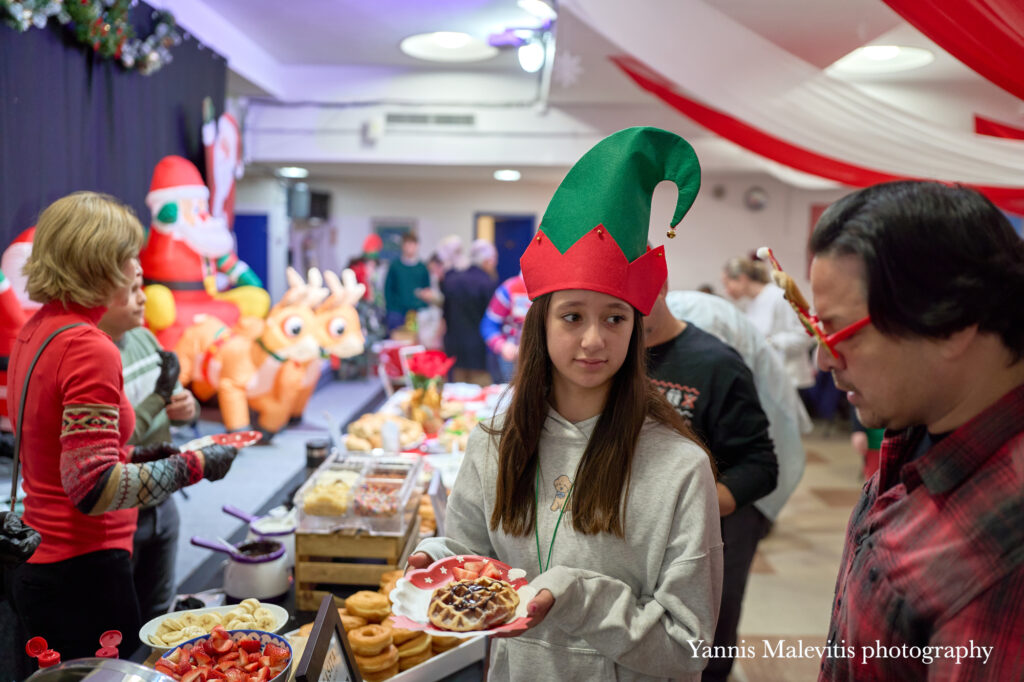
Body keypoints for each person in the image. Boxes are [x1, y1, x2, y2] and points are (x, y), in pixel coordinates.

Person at [409, 127, 723, 681]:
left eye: (615, 318)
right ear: (542, 324)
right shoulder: (494, 441)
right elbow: (469, 549)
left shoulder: (680, 468)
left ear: (636, 329)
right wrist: (439, 561)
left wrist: (577, 595)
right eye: (573, 315)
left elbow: (689, 646)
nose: (593, 340)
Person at [800, 181, 1024, 681]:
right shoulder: (921, 429)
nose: (823, 359)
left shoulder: (1002, 555)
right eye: (816, 329)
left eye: (839, 333)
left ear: (952, 323)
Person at [6, 192, 238, 668]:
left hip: (45, 559)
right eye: (124, 259)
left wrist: (148, 454)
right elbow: (91, 488)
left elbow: (66, 453)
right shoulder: (90, 346)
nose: (135, 267)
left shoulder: (39, 327)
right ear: (96, 267)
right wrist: (192, 464)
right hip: (83, 568)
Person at [644, 282, 778, 682]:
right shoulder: (608, 357)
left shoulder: (715, 363)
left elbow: (760, 465)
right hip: (637, 544)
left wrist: (689, 506)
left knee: (707, 648)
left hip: (710, 533)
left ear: (660, 283)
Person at [97, 263, 200, 623]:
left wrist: (187, 407)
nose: (144, 298)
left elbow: (176, 403)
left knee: (160, 613)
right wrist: (158, 398)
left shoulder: (143, 337)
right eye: (134, 288)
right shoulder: (92, 356)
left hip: (161, 493)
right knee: (120, 621)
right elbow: (111, 441)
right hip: (118, 507)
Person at [722, 255, 816, 392]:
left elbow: (805, 336)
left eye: (727, 284)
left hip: (791, 381)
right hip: (769, 380)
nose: (726, 290)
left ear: (742, 279)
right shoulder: (751, 303)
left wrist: (768, 341)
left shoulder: (779, 296)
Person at [441, 239, 498, 385]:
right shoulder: (487, 283)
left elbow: (445, 315)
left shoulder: (451, 280)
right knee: (479, 399)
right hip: (479, 353)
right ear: (487, 261)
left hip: (454, 349)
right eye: (494, 260)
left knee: (457, 397)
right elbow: (492, 320)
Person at [480, 272, 530, 383]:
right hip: (511, 359)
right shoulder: (508, 290)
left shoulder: (552, 292)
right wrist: (502, 346)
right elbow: (488, 326)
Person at [383, 231, 430, 332]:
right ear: (403, 246)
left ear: (417, 246)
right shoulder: (395, 266)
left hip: (417, 312)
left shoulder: (422, 267)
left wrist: (422, 306)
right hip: (397, 312)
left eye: (413, 244)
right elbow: (388, 289)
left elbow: (427, 290)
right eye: (407, 244)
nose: (410, 247)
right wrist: (391, 307)